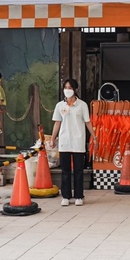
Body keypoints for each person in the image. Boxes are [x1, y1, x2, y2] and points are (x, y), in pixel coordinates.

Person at [49, 78, 95, 207]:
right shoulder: (60, 105)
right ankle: (66, 196)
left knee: (79, 170)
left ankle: (79, 196)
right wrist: (53, 139)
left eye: (70, 88)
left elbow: (87, 122)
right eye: (66, 87)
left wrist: (94, 136)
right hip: (64, 140)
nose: (67, 90)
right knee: (65, 170)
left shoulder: (82, 105)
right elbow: (57, 123)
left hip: (78, 140)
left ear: (75, 90)